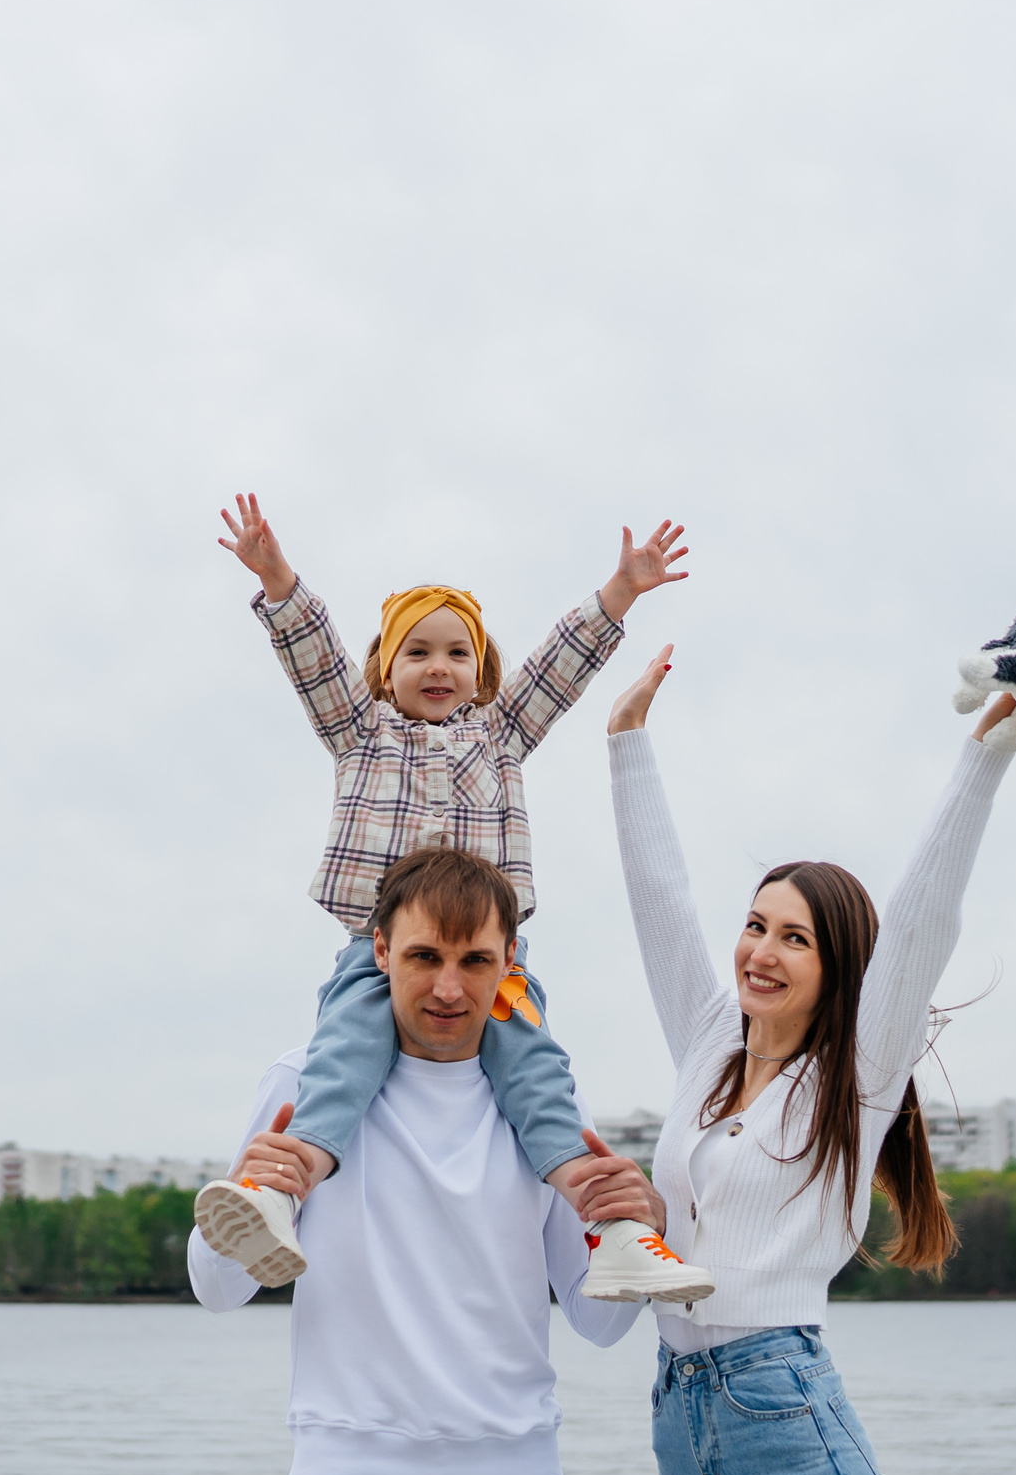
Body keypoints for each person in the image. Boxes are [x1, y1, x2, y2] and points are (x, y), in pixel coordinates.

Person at [603, 640, 1016, 1475]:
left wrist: (984, 760)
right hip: (680, 1417)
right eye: (757, 924)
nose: (761, 951)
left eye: (794, 938)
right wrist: (627, 744)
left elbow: (925, 912)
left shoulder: (855, 1076)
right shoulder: (710, 1042)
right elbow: (661, 903)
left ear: (836, 967)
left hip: (785, 1411)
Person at [193, 492, 711, 1305]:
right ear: (384, 672)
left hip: (493, 966)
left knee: (540, 1077)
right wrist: (276, 575)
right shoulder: (360, 732)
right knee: (339, 1063)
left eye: (458, 654)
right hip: (380, 958)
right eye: (418, 653)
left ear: (480, 672)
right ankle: (276, 1198)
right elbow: (314, 656)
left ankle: (613, 1234)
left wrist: (620, 592)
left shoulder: (499, 735)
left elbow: (557, 667)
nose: (439, 668)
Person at [189, 846, 665, 1475]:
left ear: (510, 959)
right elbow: (216, 1289)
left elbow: (598, 1324)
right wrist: (252, 1191)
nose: (448, 987)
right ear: (379, 950)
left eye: (475, 959)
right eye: (423, 956)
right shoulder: (302, 1082)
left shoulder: (550, 1110)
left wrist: (631, 1229)